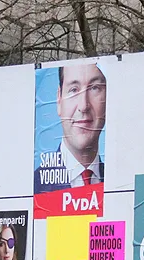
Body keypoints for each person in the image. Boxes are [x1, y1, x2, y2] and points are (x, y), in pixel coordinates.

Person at [34, 64, 107, 194]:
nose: (83, 106)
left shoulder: (121, 183)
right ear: (59, 100)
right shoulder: (33, 187)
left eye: (94, 88)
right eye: (74, 90)